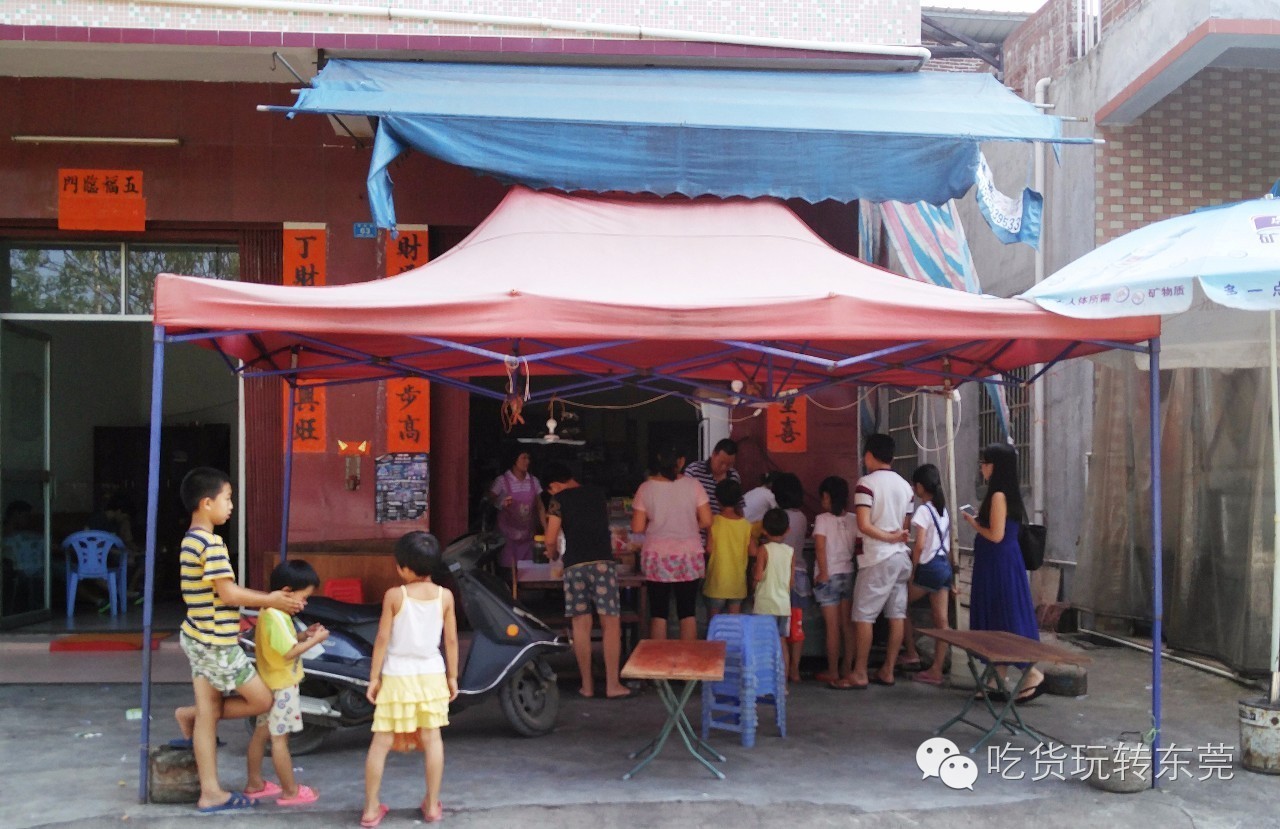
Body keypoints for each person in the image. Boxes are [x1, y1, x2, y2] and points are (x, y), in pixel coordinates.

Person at [171, 467, 305, 814]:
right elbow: (228, 594)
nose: (231, 505)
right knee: (262, 701)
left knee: (208, 711)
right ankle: (193, 718)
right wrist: (272, 599)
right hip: (217, 643)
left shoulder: (189, 540)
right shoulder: (212, 544)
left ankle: (211, 790)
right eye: (227, 498)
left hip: (196, 635)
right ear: (206, 502)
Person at [362, 531, 459, 827]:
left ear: (403, 567)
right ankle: (431, 806)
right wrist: (453, 677)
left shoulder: (395, 595)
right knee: (432, 739)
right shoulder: (445, 596)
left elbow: (381, 638)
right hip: (431, 675)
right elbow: (452, 640)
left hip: (397, 675)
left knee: (381, 743)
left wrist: (373, 677)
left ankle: (370, 809)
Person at [962, 443, 1044, 704]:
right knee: (999, 617)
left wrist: (973, 523)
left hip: (999, 564)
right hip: (999, 563)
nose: (983, 468)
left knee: (1004, 617)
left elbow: (996, 535)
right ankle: (996, 677)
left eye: (986, 463)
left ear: (996, 467)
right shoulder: (1005, 494)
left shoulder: (998, 495)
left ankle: (1031, 674)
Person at [542, 461, 632, 700]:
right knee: (610, 623)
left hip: (575, 566)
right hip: (603, 563)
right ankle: (613, 685)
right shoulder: (597, 495)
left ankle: (587, 686)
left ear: (555, 485)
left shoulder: (558, 501)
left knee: (581, 625)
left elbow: (551, 538)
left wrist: (550, 553)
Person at [244, 560, 329, 805]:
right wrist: (316, 640)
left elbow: (282, 643)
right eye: (303, 598)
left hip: (268, 682)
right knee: (280, 740)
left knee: (261, 734)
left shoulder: (271, 613)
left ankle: (254, 782)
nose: (304, 604)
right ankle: (290, 791)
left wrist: (305, 634)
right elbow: (288, 652)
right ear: (287, 591)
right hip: (283, 687)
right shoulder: (276, 617)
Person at [844, 434, 913, 690]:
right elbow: (904, 527)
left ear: (869, 455)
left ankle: (860, 672)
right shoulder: (906, 486)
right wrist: (896, 537)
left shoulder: (866, 484)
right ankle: (888, 670)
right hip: (900, 558)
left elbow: (864, 524)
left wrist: (889, 537)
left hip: (876, 557)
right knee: (896, 614)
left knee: (864, 616)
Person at [632, 445, 712, 641]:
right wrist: (690, 525)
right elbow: (708, 520)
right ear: (681, 461)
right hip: (689, 555)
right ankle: (688, 664)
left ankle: (660, 666)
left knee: (659, 613)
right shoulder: (694, 486)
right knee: (687, 612)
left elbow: (637, 527)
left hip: (657, 556)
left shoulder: (646, 488)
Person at [901, 464, 955, 687]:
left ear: (921, 487)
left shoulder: (923, 510)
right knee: (942, 621)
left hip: (929, 568)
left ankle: (911, 652)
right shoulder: (943, 511)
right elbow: (948, 546)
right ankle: (936, 670)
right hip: (943, 567)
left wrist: (913, 571)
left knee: (900, 605)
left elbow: (920, 544)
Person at [812, 476, 857, 688]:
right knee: (847, 625)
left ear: (828, 497)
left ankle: (832, 671)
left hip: (828, 576)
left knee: (832, 628)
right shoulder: (854, 519)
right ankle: (847, 670)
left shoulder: (822, 519)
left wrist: (823, 572)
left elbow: (820, 548)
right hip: (848, 574)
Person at [487, 449, 546, 584]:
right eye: (524, 458)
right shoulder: (502, 481)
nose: (527, 462)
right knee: (508, 575)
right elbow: (489, 501)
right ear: (514, 460)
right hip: (507, 537)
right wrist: (501, 502)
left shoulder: (533, 481)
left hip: (528, 537)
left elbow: (540, 507)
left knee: (528, 574)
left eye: (528, 458)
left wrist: (546, 529)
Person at [773, 472, 810, 682]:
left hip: (781, 578)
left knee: (781, 626)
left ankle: (783, 670)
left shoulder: (777, 516)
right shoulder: (803, 517)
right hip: (801, 576)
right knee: (796, 626)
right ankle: (795, 669)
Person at [702, 478, 755, 618]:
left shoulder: (713, 522)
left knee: (714, 625)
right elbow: (753, 551)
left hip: (717, 582)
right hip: (737, 584)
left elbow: (709, 549)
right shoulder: (746, 525)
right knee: (734, 625)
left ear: (717, 499)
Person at [752, 508, 794, 659]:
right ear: (788, 530)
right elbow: (791, 582)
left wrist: (752, 586)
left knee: (763, 643)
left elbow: (758, 576)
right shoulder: (790, 551)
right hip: (783, 606)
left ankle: (764, 680)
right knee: (781, 641)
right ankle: (783, 681)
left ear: (763, 530)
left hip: (765, 605)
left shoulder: (763, 550)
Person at [683, 438, 742, 517]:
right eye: (721, 462)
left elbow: (739, 507)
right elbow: (684, 503)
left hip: (725, 528)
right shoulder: (694, 471)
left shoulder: (734, 476)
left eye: (729, 464)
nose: (724, 467)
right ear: (714, 454)